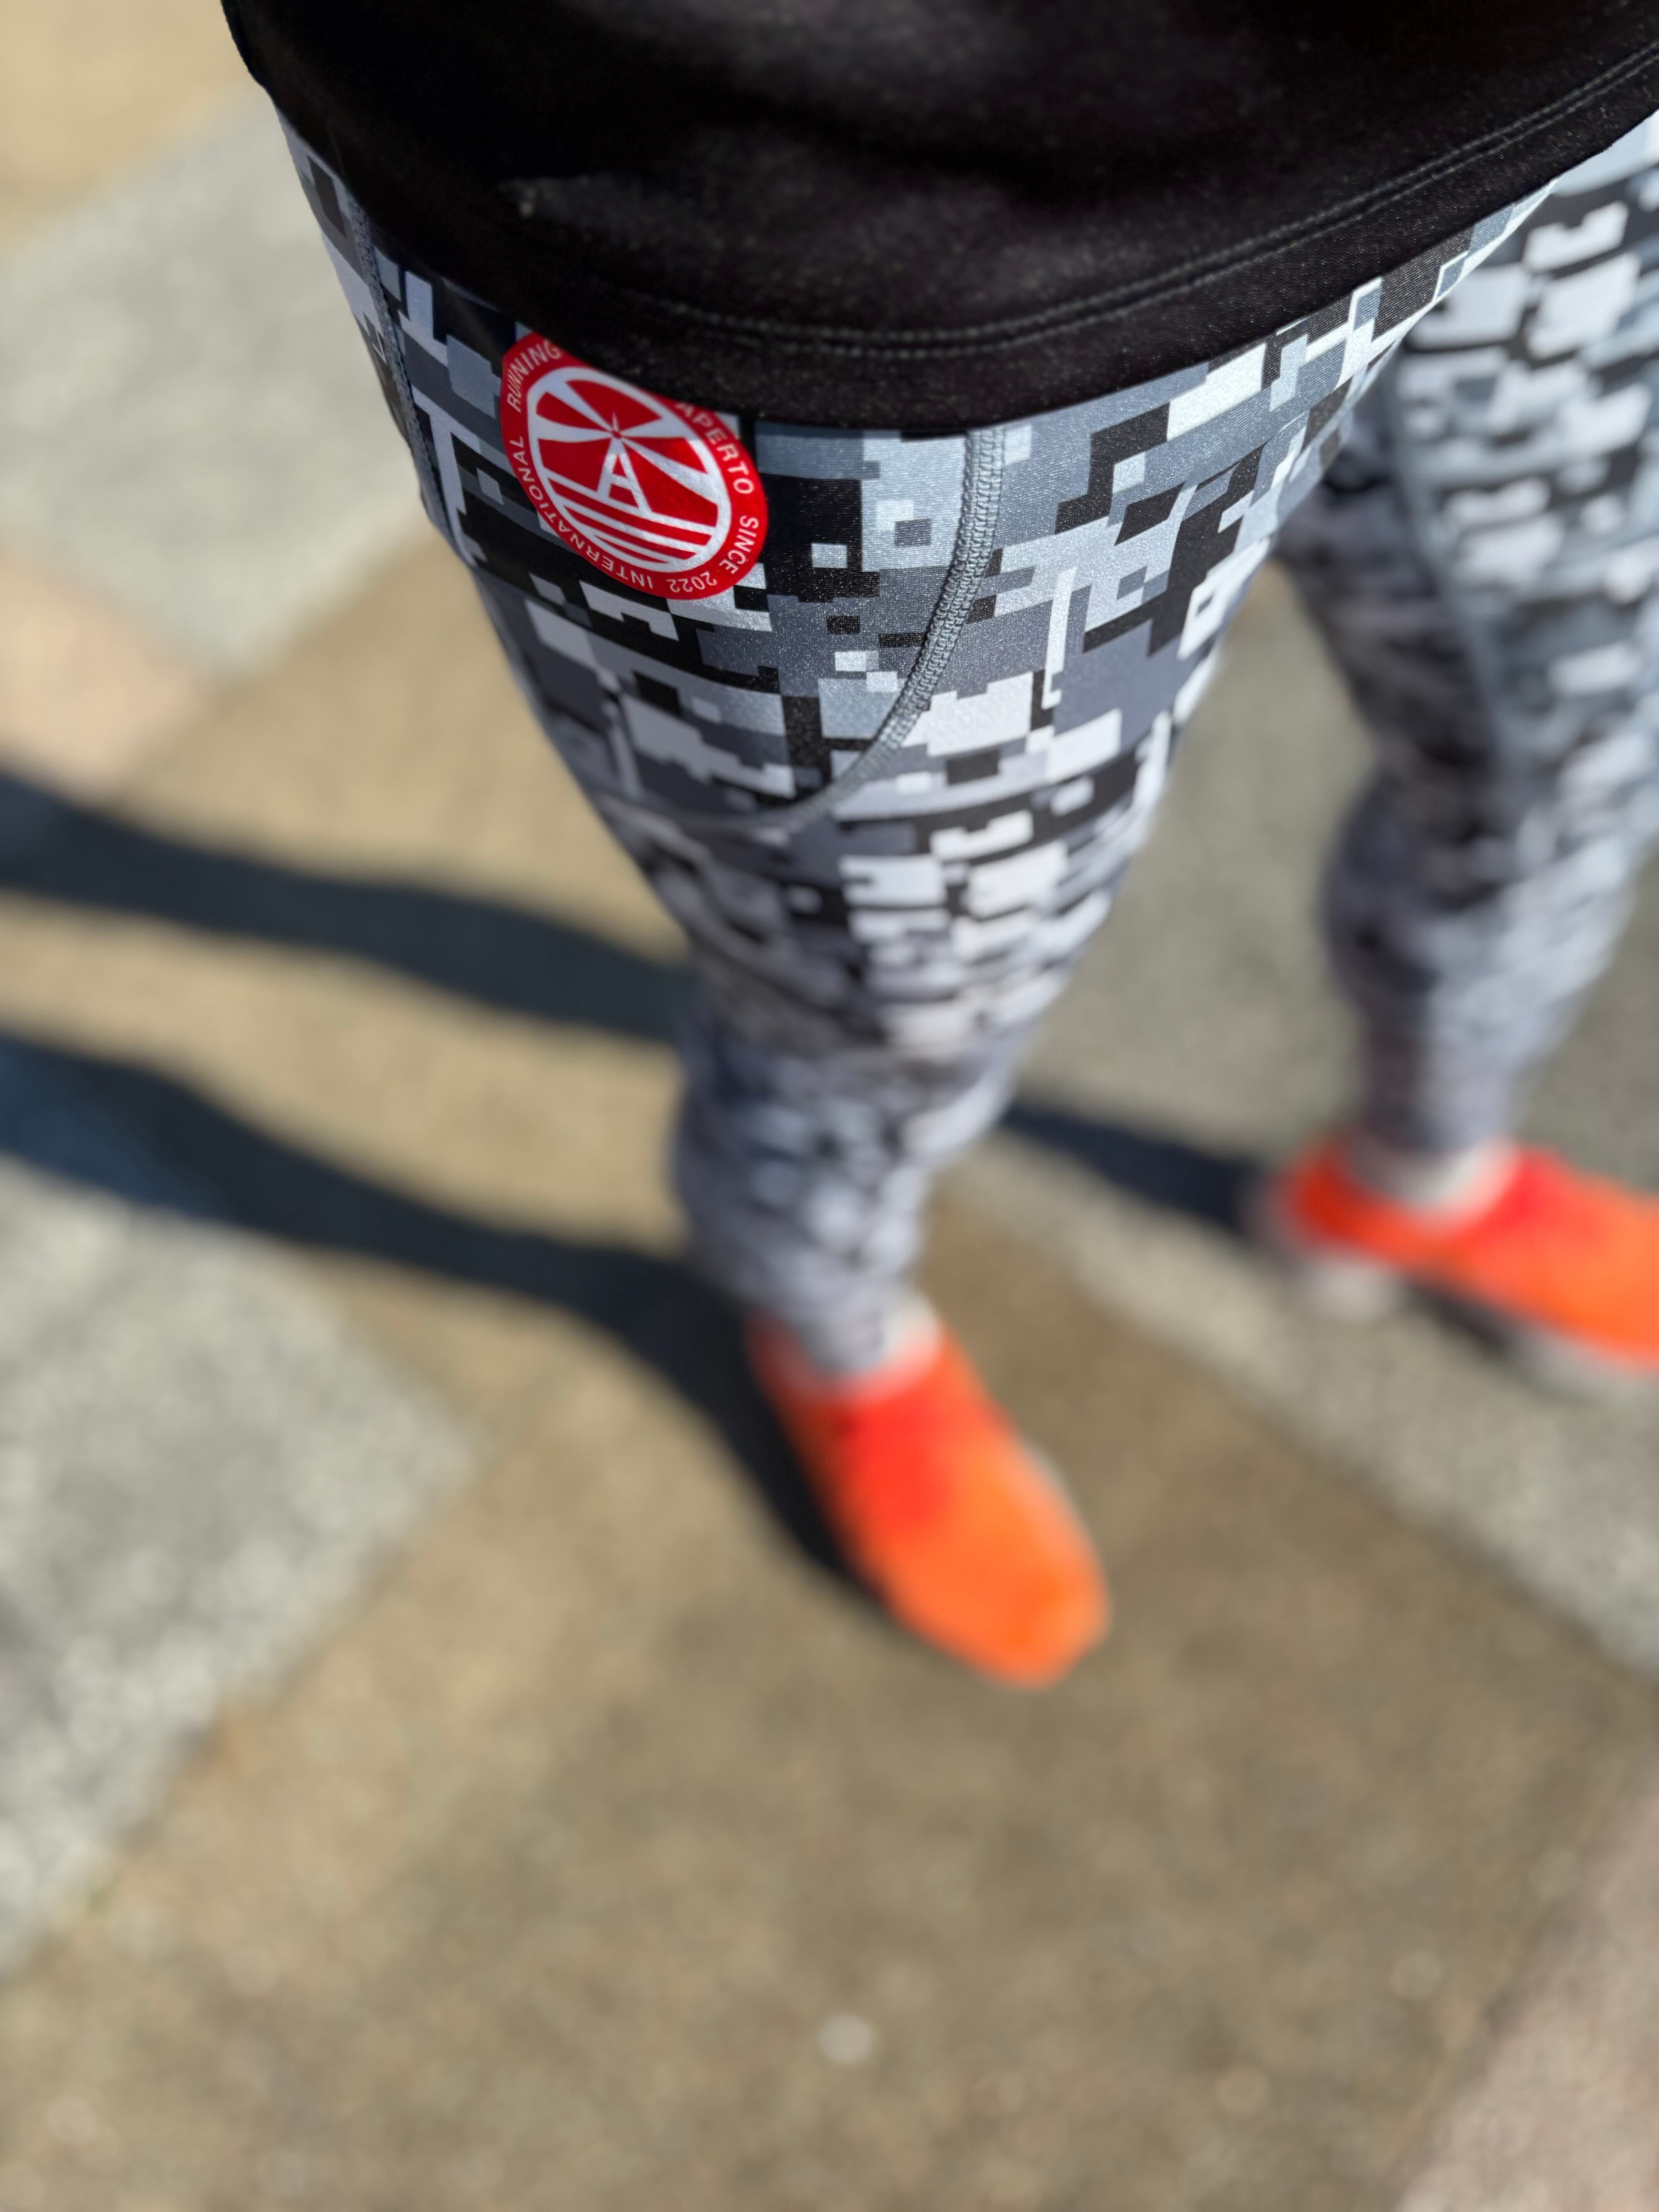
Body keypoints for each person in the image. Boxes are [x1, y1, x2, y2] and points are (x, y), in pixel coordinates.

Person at [220, 0, 1659, 1686]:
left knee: (1580, 727)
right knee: (882, 981)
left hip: (1572, 89)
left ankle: (1422, 1170)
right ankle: (829, 1322)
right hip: (862, 239)